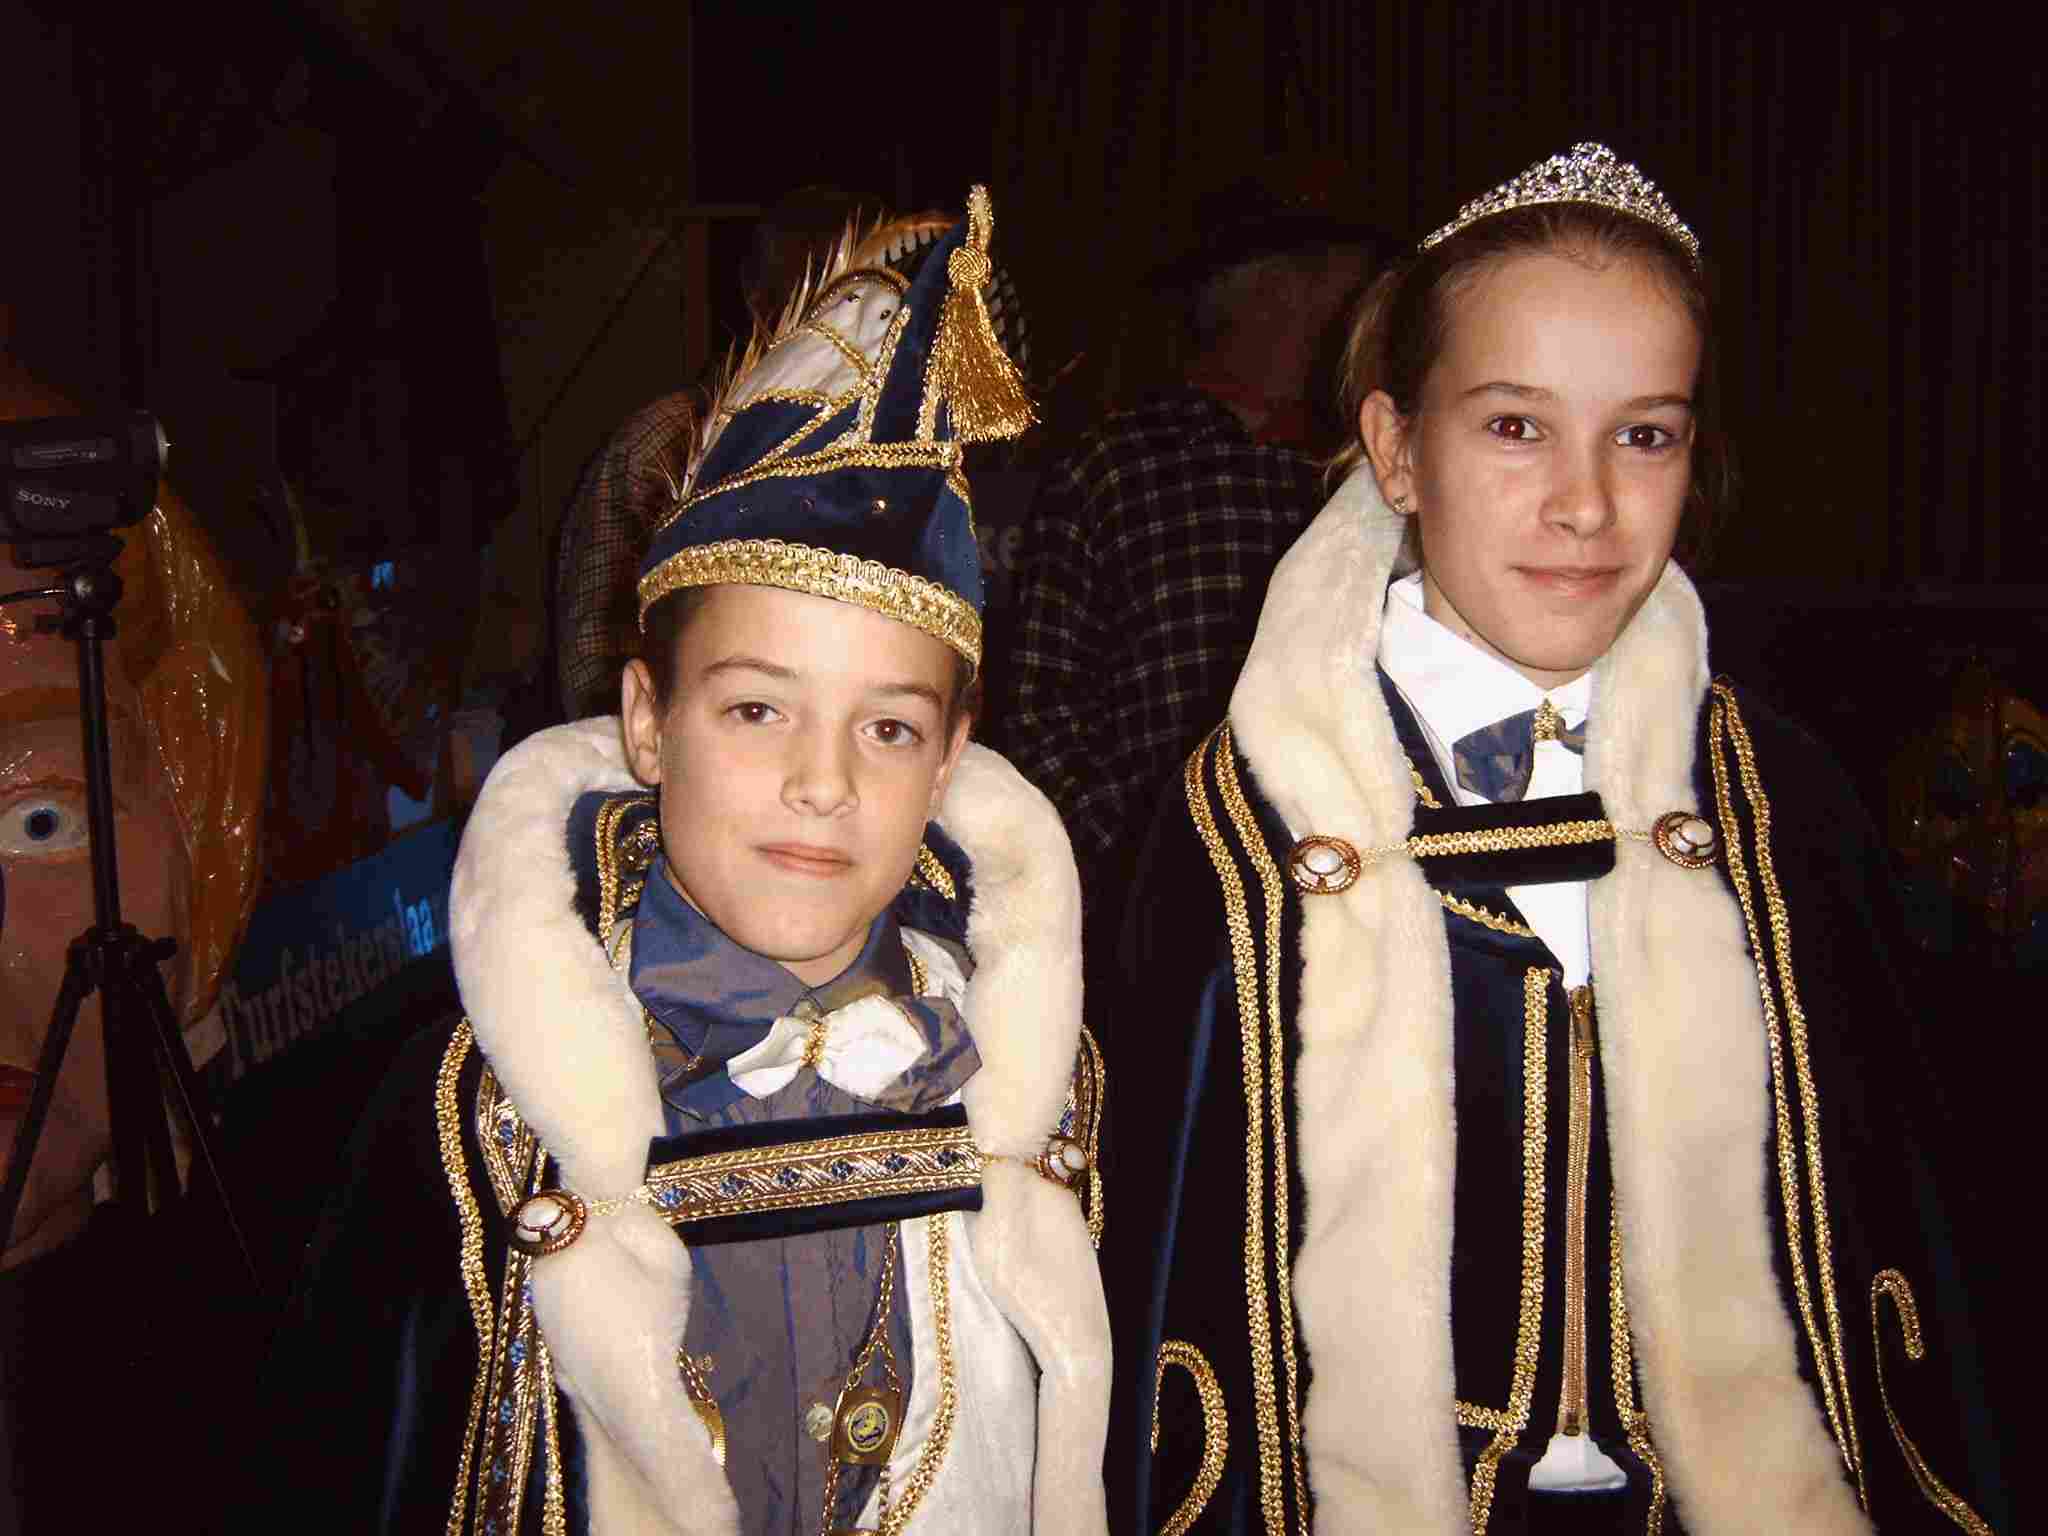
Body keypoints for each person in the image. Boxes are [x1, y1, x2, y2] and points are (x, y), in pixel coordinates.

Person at [1104, 145, 2000, 1534]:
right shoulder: (1244, 828)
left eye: (1644, 436)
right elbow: (1171, 1261)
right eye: (1515, 426)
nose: (1585, 505)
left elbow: (1898, 1232)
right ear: (1396, 449)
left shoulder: (1785, 807)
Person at [255, 190, 1110, 1535]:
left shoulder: (1029, 1074)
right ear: (649, 722)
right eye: (757, 708)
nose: (823, 783)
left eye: (888, 727)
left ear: (950, 762)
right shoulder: (482, 1120)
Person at [1001, 174, 1396, 921]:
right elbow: (1039, 712)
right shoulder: (1119, 465)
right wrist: (1125, 864)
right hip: (1144, 902)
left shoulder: (1368, 476)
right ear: (1270, 298)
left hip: (1343, 884)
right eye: (1339, 298)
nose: (1358, 334)